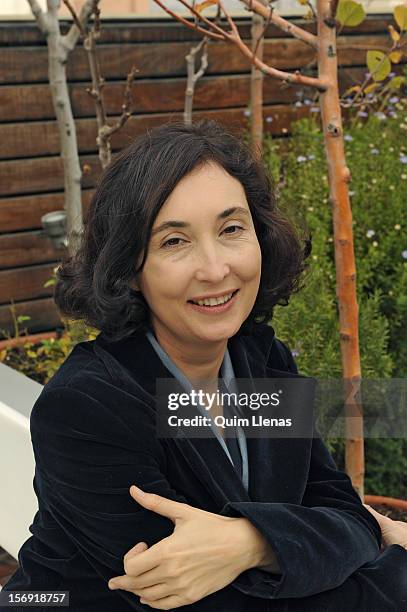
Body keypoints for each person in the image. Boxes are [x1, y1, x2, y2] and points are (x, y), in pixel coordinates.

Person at [2, 119, 407, 612]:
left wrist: (250, 542)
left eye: (231, 228)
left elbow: (343, 512)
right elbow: (221, 605)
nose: (215, 270)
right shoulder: (89, 408)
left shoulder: (260, 362)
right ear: (129, 269)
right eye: (175, 241)